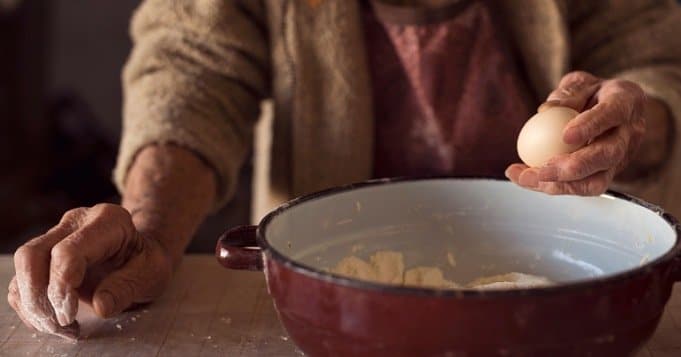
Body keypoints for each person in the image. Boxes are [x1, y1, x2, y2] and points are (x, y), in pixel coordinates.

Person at [8, 0, 681, 339]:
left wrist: (631, 122)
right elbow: (194, 66)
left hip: (562, 292)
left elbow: (655, 59)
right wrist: (150, 227)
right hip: (347, 303)